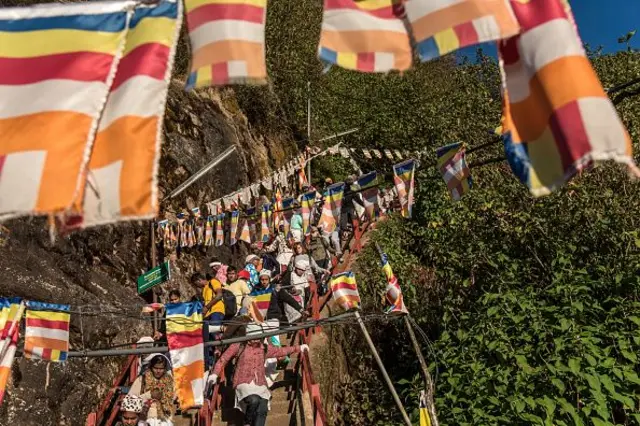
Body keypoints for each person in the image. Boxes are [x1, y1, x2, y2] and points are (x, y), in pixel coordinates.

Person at [209, 323, 309, 426]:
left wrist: (298, 348)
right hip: (243, 382)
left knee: (263, 407)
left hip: (260, 384)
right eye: (254, 337)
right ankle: (247, 422)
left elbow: (281, 351)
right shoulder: (238, 345)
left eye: (258, 337)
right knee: (254, 400)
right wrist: (214, 373)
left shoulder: (264, 348)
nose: (256, 340)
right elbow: (223, 359)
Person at [128, 354, 174, 426]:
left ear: (165, 369)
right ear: (151, 367)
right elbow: (130, 402)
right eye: (155, 368)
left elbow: (175, 398)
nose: (158, 371)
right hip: (145, 420)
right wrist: (149, 395)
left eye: (161, 368)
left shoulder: (170, 382)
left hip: (165, 421)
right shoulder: (141, 380)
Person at [191, 272, 224, 368]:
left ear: (198, 280)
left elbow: (219, 295)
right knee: (208, 339)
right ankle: (210, 363)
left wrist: (206, 307)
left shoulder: (213, 282)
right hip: (208, 316)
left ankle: (219, 357)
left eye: (195, 284)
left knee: (215, 335)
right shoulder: (204, 290)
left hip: (217, 311)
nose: (196, 286)